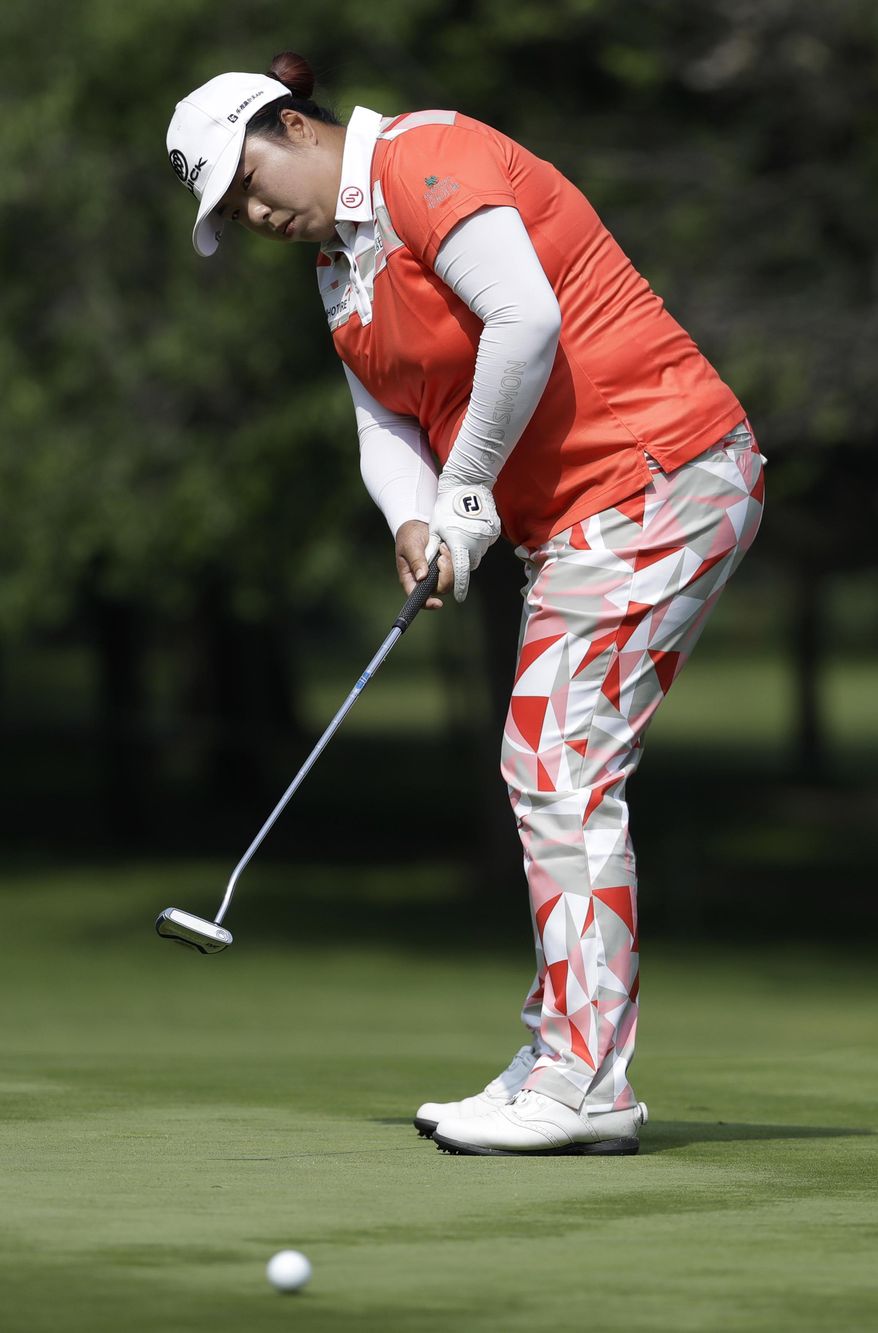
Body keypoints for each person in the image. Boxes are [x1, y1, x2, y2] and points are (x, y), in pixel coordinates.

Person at [166, 52, 765, 1157]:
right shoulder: (340, 272)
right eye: (231, 215)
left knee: (556, 765)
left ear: (291, 126)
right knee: (547, 764)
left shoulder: (423, 157)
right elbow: (381, 429)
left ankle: (584, 1078)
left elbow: (523, 322)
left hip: (659, 470)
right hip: (590, 514)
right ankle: (561, 1057)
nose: (254, 216)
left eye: (250, 185)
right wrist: (415, 520)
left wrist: (467, 491)